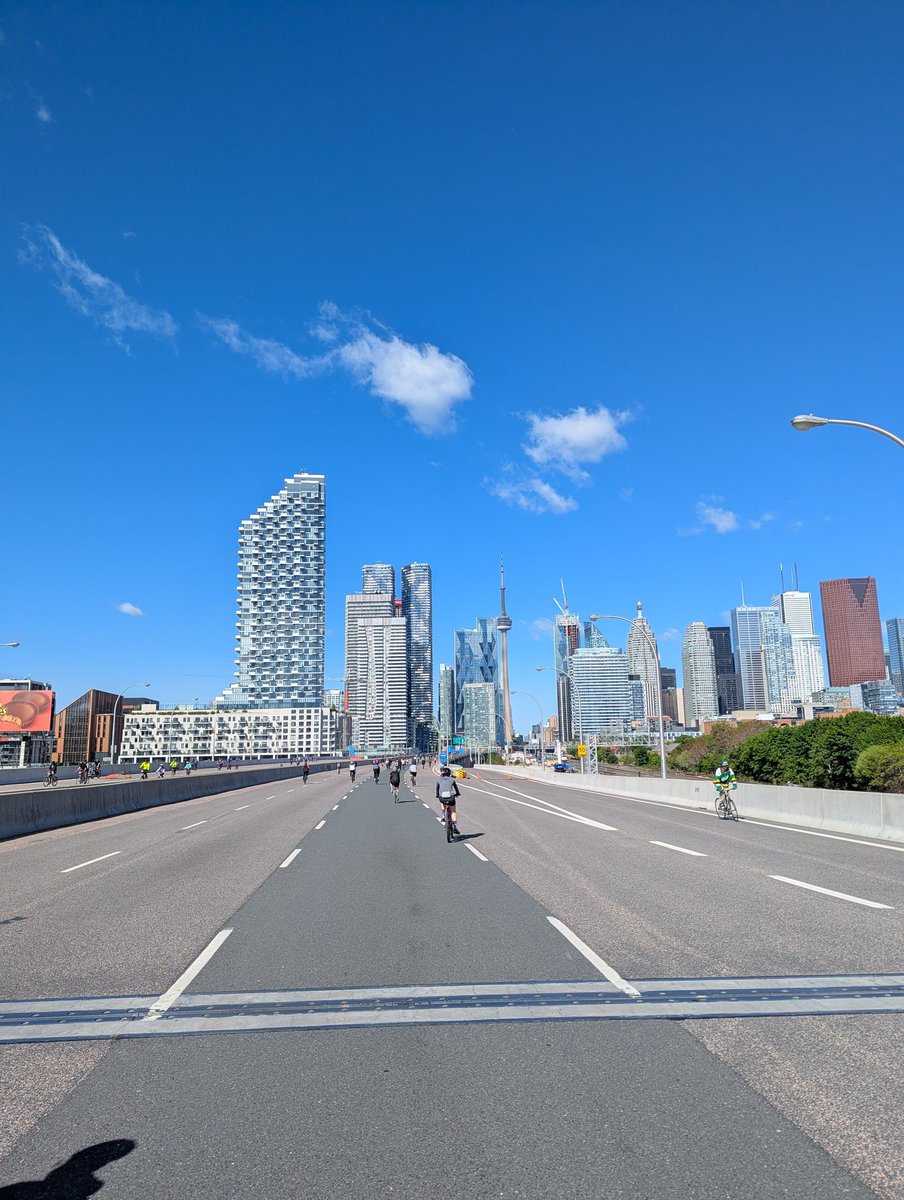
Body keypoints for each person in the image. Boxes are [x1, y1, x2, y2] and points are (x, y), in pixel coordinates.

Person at [436, 766, 460, 835]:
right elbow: (456, 789)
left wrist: (437, 795)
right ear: (449, 773)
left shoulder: (439, 780)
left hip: (442, 798)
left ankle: (443, 814)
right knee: (453, 811)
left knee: (442, 801)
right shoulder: (452, 780)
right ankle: (455, 826)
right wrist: (457, 794)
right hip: (451, 798)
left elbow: (437, 790)